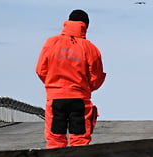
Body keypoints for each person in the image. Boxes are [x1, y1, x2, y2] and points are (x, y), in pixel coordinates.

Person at [35, 9, 106, 148]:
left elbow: (40, 70)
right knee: (80, 141)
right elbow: (96, 78)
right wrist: (83, 88)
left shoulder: (51, 43)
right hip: (79, 99)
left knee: (55, 140)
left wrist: (54, 85)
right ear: (85, 26)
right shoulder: (91, 49)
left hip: (55, 99)